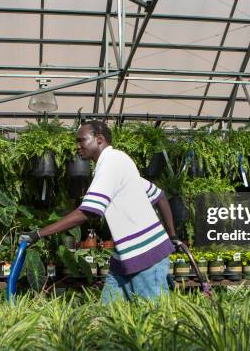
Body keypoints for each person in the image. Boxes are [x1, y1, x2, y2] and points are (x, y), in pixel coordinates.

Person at [20, 120, 182, 303]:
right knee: (107, 320)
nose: (77, 146)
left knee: (153, 321)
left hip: (146, 256)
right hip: (124, 259)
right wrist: (173, 235)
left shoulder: (111, 162)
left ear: (99, 139)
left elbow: (88, 212)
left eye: (81, 140)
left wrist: (38, 234)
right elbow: (159, 195)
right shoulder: (119, 162)